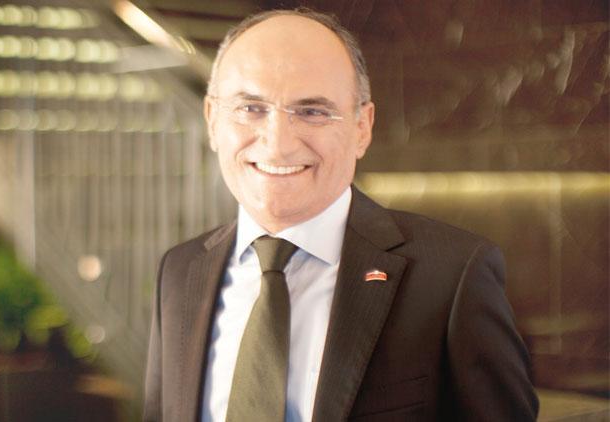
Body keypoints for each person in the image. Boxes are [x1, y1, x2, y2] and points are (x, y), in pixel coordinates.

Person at [143, 8, 538, 422]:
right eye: (251, 108)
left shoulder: (453, 276)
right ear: (212, 120)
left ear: (362, 127)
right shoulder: (180, 270)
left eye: (312, 111)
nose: (278, 143)